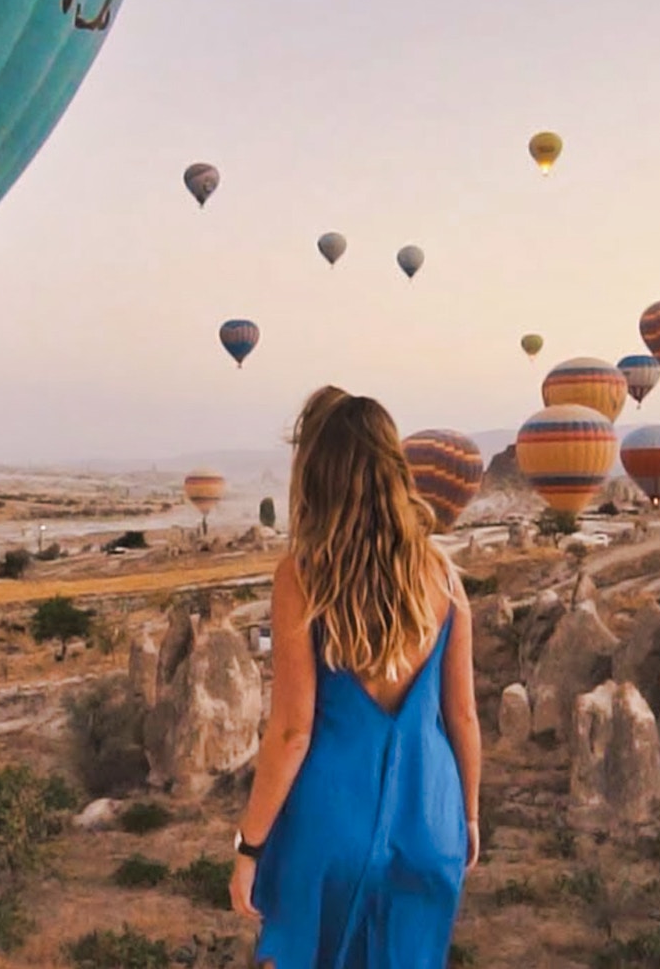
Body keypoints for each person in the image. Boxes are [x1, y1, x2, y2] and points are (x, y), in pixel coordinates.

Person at [227, 386, 483, 968]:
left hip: (327, 830)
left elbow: (292, 732)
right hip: (429, 823)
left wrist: (250, 845)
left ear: (317, 473)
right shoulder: (443, 576)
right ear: (396, 469)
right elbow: (462, 715)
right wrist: (467, 815)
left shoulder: (302, 577)